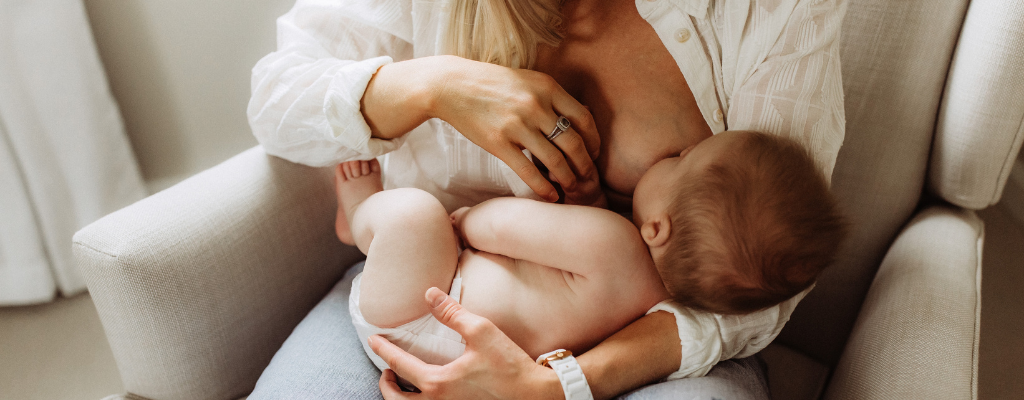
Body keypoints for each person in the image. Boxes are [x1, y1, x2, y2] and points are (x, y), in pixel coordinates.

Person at [247, 0, 848, 398]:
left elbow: (764, 280)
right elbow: (274, 101)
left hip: (644, 352)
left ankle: (362, 215)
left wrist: (559, 385)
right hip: (423, 285)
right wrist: (433, 86)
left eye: (681, 159)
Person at [335, 129, 845, 392]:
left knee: (415, 214)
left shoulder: (614, 242)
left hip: (420, 316)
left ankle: (357, 212)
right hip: (479, 378)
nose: (681, 149)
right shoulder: (657, 306)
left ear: (657, 227)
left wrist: (465, 221)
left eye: (684, 161)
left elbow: (503, 226)